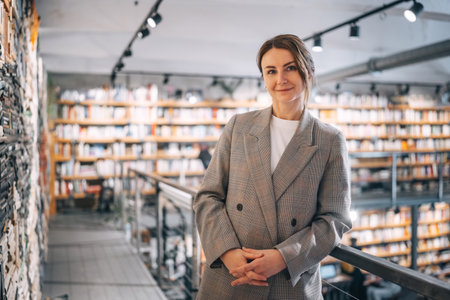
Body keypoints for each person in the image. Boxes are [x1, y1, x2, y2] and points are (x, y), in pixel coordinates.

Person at [193, 34, 352, 299]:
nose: (281, 79)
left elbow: (335, 220)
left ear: (308, 71)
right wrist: (228, 252)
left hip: (289, 282)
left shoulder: (329, 140)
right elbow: (208, 197)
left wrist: (283, 257)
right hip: (230, 278)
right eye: (271, 71)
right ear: (264, 78)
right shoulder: (239, 127)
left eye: (290, 67)